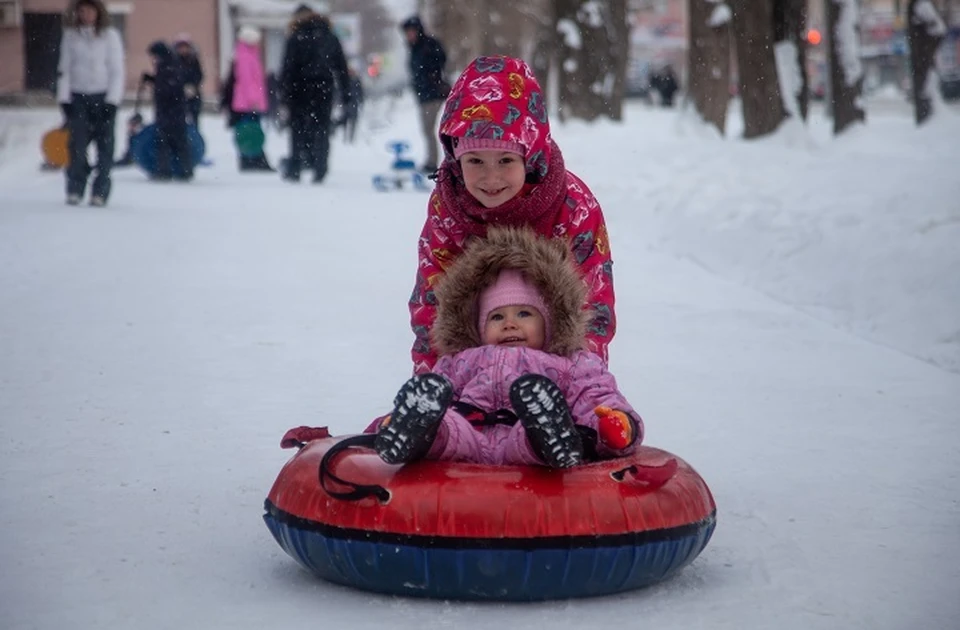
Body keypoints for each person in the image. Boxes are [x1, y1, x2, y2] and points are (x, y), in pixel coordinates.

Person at [408, 55, 617, 376]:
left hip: (553, 372)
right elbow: (432, 302)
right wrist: (432, 381)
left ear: (530, 155)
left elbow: (592, 303)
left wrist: (582, 381)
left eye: (505, 160)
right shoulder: (447, 209)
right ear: (455, 158)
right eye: (475, 161)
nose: (491, 179)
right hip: (472, 368)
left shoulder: (572, 205)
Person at [375, 227, 641, 469]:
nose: (510, 324)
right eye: (497, 317)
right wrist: (398, 418)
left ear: (550, 320)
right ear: (478, 326)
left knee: (529, 434)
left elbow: (596, 396)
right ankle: (417, 432)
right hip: (468, 436)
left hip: (523, 439)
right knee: (446, 427)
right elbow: (435, 394)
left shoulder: (571, 363)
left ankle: (549, 432)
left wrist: (615, 425)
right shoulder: (461, 361)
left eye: (525, 314)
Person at [56, 0, 124, 206]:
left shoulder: (110, 36)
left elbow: (116, 70)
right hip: (78, 97)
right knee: (77, 145)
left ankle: (100, 191)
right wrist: (64, 98)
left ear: (98, 12)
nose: (86, 15)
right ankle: (75, 187)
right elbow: (64, 69)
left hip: (102, 96)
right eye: (82, 11)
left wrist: (112, 101)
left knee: (105, 147)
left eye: (90, 10)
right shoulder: (70, 36)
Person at [279, 3, 350, 183]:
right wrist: (345, 92)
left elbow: (288, 68)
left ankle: (296, 167)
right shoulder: (329, 36)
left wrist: (284, 93)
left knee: (297, 129)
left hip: (298, 89)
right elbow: (341, 67)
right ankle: (320, 168)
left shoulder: (296, 37)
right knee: (322, 129)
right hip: (323, 88)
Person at [220, 26, 274, 171]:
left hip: (247, 102)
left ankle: (251, 159)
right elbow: (247, 81)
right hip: (247, 104)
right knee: (249, 131)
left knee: (248, 131)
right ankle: (252, 160)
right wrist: (253, 100)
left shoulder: (246, 55)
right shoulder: (245, 57)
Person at [400, 15, 448, 173]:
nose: (409, 35)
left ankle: (432, 162)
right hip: (424, 94)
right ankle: (432, 160)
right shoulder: (414, 47)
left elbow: (440, 61)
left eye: (411, 31)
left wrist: (432, 77)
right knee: (427, 129)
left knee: (429, 129)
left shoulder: (427, 45)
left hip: (432, 94)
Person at [144, 41, 192, 181]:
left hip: (169, 110)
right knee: (179, 141)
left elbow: (168, 87)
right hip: (175, 110)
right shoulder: (172, 63)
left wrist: (155, 84)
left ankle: (164, 171)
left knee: (164, 141)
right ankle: (185, 170)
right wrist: (152, 79)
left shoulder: (167, 66)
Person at [173, 34, 204, 128]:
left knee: (194, 120)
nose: (183, 49)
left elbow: (199, 74)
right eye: (181, 47)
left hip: (193, 94)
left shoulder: (193, 60)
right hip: (178, 95)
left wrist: (193, 86)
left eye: (185, 47)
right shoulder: (174, 61)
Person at [337, 66, 364, 143]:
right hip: (346, 103)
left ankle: (351, 138)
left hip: (353, 103)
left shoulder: (356, 81)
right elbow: (340, 91)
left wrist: (360, 100)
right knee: (345, 120)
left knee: (353, 121)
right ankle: (345, 137)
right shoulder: (345, 81)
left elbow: (360, 92)